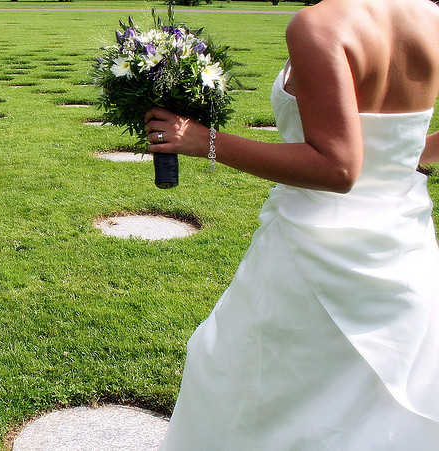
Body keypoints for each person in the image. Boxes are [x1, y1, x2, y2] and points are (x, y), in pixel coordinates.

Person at [145, 0, 439, 448]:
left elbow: (337, 169)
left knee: (258, 395)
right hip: (403, 245)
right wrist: (394, 154)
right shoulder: (429, 16)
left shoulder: (319, 24)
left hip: (316, 256)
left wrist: (206, 141)